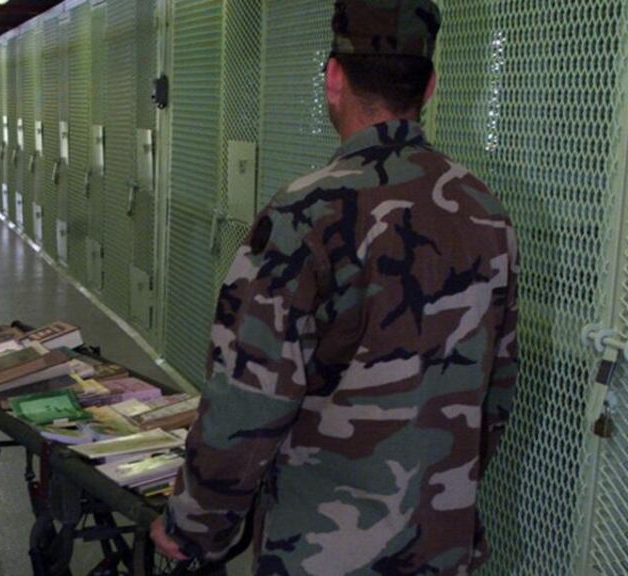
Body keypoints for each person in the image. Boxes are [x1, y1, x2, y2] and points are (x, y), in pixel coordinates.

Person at [150, 1, 519, 574]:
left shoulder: (305, 212)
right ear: (430, 88)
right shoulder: (484, 212)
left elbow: (250, 398)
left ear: (333, 77)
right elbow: (495, 393)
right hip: (441, 544)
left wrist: (197, 524)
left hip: (319, 547)